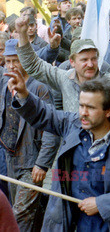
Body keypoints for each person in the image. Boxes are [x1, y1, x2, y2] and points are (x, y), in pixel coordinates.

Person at [7, 70, 110, 231]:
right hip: (66, 221)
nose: (82, 112)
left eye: (90, 107)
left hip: (108, 225)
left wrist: (100, 204)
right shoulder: (73, 123)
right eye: (81, 105)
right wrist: (24, 94)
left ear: (108, 111)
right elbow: (45, 114)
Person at [15, 15, 110, 113]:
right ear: (72, 62)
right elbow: (33, 65)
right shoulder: (63, 78)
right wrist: (22, 34)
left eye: (94, 59)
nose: (90, 64)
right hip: (75, 146)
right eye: (84, 60)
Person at [0, 39, 58, 231]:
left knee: (19, 214)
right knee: (28, 209)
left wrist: (43, 163)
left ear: (25, 59)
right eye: (8, 61)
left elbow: (51, 127)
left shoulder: (39, 87)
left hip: (31, 161)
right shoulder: (4, 81)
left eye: (15, 60)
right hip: (9, 157)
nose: (11, 66)